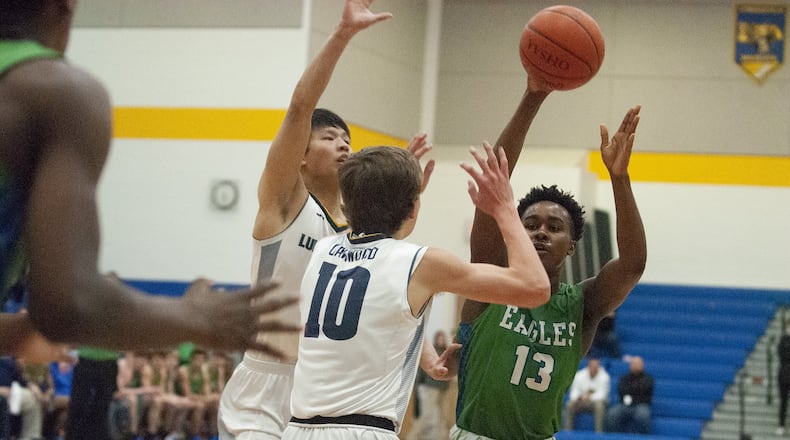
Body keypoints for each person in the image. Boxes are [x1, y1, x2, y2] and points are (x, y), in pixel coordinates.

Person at [0, 0, 300, 362]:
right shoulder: (54, 91)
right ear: (65, 7)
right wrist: (197, 316)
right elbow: (69, 306)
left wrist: (18, 336)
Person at [217, 1, 444, 438]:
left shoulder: (359, 233)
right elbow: (299, 108)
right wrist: (342, 35)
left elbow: (390, 291)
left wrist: (396, 184)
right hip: (264, 387)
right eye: (329, 137)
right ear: (300, 155)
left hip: (322, 392)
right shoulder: (284, 203)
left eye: (348, 139)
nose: (344, 145)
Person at [281, 142, 550, 440]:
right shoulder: (422, 264)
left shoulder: (323, 250)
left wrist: (430, 361)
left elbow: (382, 307)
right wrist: (505, 209)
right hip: (361, 431)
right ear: (412, 208)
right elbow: (535, 288)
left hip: (297, 429)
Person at [452, 76, 647, 439]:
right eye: (530, 225)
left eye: (554, 227)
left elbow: (632, 265)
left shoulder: (581, 305)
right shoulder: (490, 281)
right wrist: (533, 95)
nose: (541, 232)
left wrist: (619, 178)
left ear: (571, 245)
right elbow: (496, 174)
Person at [407, 331, 453, 440]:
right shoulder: (431, 352)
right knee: (427, 414)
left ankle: (441, 437)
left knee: (443, 416)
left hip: (444, 388)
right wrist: (417, 384)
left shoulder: (448, 354)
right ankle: (412, 437)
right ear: (436, 339)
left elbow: (451, 370)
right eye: (439, 338)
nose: (441, 341)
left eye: (442, 338)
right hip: (431, 387)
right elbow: (422, 369)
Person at [605, 356, 653, 434]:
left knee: (643, 415)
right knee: (612, 414)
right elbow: (622, 391)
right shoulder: (624, 378)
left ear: (642, 365)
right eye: (633, 364)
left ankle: (644, 436)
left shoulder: (648, 379)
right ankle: (613, 435)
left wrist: (632, 393)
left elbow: (644, 392)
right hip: (625, 404)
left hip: (641, 405)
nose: (635, 366)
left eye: (637, 364)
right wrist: (635, 392)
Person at [0, 356, 43, 440]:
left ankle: (30, 436)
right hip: (3, 393)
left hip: (12, 391)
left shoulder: (7, 359)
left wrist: (30, 385)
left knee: (32, 397)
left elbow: (18, 377)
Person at [564, 357, 611, 433]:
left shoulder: (604, 377)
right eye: (592, 367)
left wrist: (589, 397)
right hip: (580, 402)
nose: (593, 369)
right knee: (569, 405)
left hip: (594, 403)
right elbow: (574, 391)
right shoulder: (579, 375)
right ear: (588, 366)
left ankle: (599, 433)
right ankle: (567, 432)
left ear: (598, 367)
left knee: (599, 405)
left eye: (596, 367)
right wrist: (578, 398)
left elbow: (602, 394)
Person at [777, 323, 790, 435]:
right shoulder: (783, 340)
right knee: (783, 401)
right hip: (784, 374)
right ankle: (781, 425)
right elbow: (782, 355)